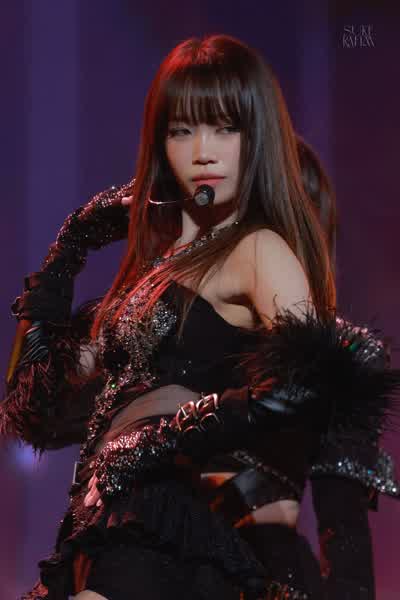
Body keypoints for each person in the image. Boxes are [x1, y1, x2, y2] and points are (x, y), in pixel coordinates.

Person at [2, 34, 399, 600]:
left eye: (225, 129)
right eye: (182, 130)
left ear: (258, 143)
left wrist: (163, 441)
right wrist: (71, 246)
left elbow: (312, 389)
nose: (203, 153)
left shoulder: (261, 253)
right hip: (102, 528)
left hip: (194, 539)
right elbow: (31, 408)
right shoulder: (148, 287)